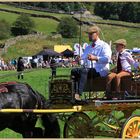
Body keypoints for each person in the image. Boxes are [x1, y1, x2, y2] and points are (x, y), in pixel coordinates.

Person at [71, 25, 112, 100]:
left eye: (91, 34)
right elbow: (83, 57)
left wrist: (96, 58)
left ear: (97, 34)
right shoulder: (88, 47)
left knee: (84, 71)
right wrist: (79, 59)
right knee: (74, 71)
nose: (89, 36)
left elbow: (107, 59)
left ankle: (78, 94)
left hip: (101, 70)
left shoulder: (104, 46)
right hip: (90, 70)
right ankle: (73, 93)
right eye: (88, 34)